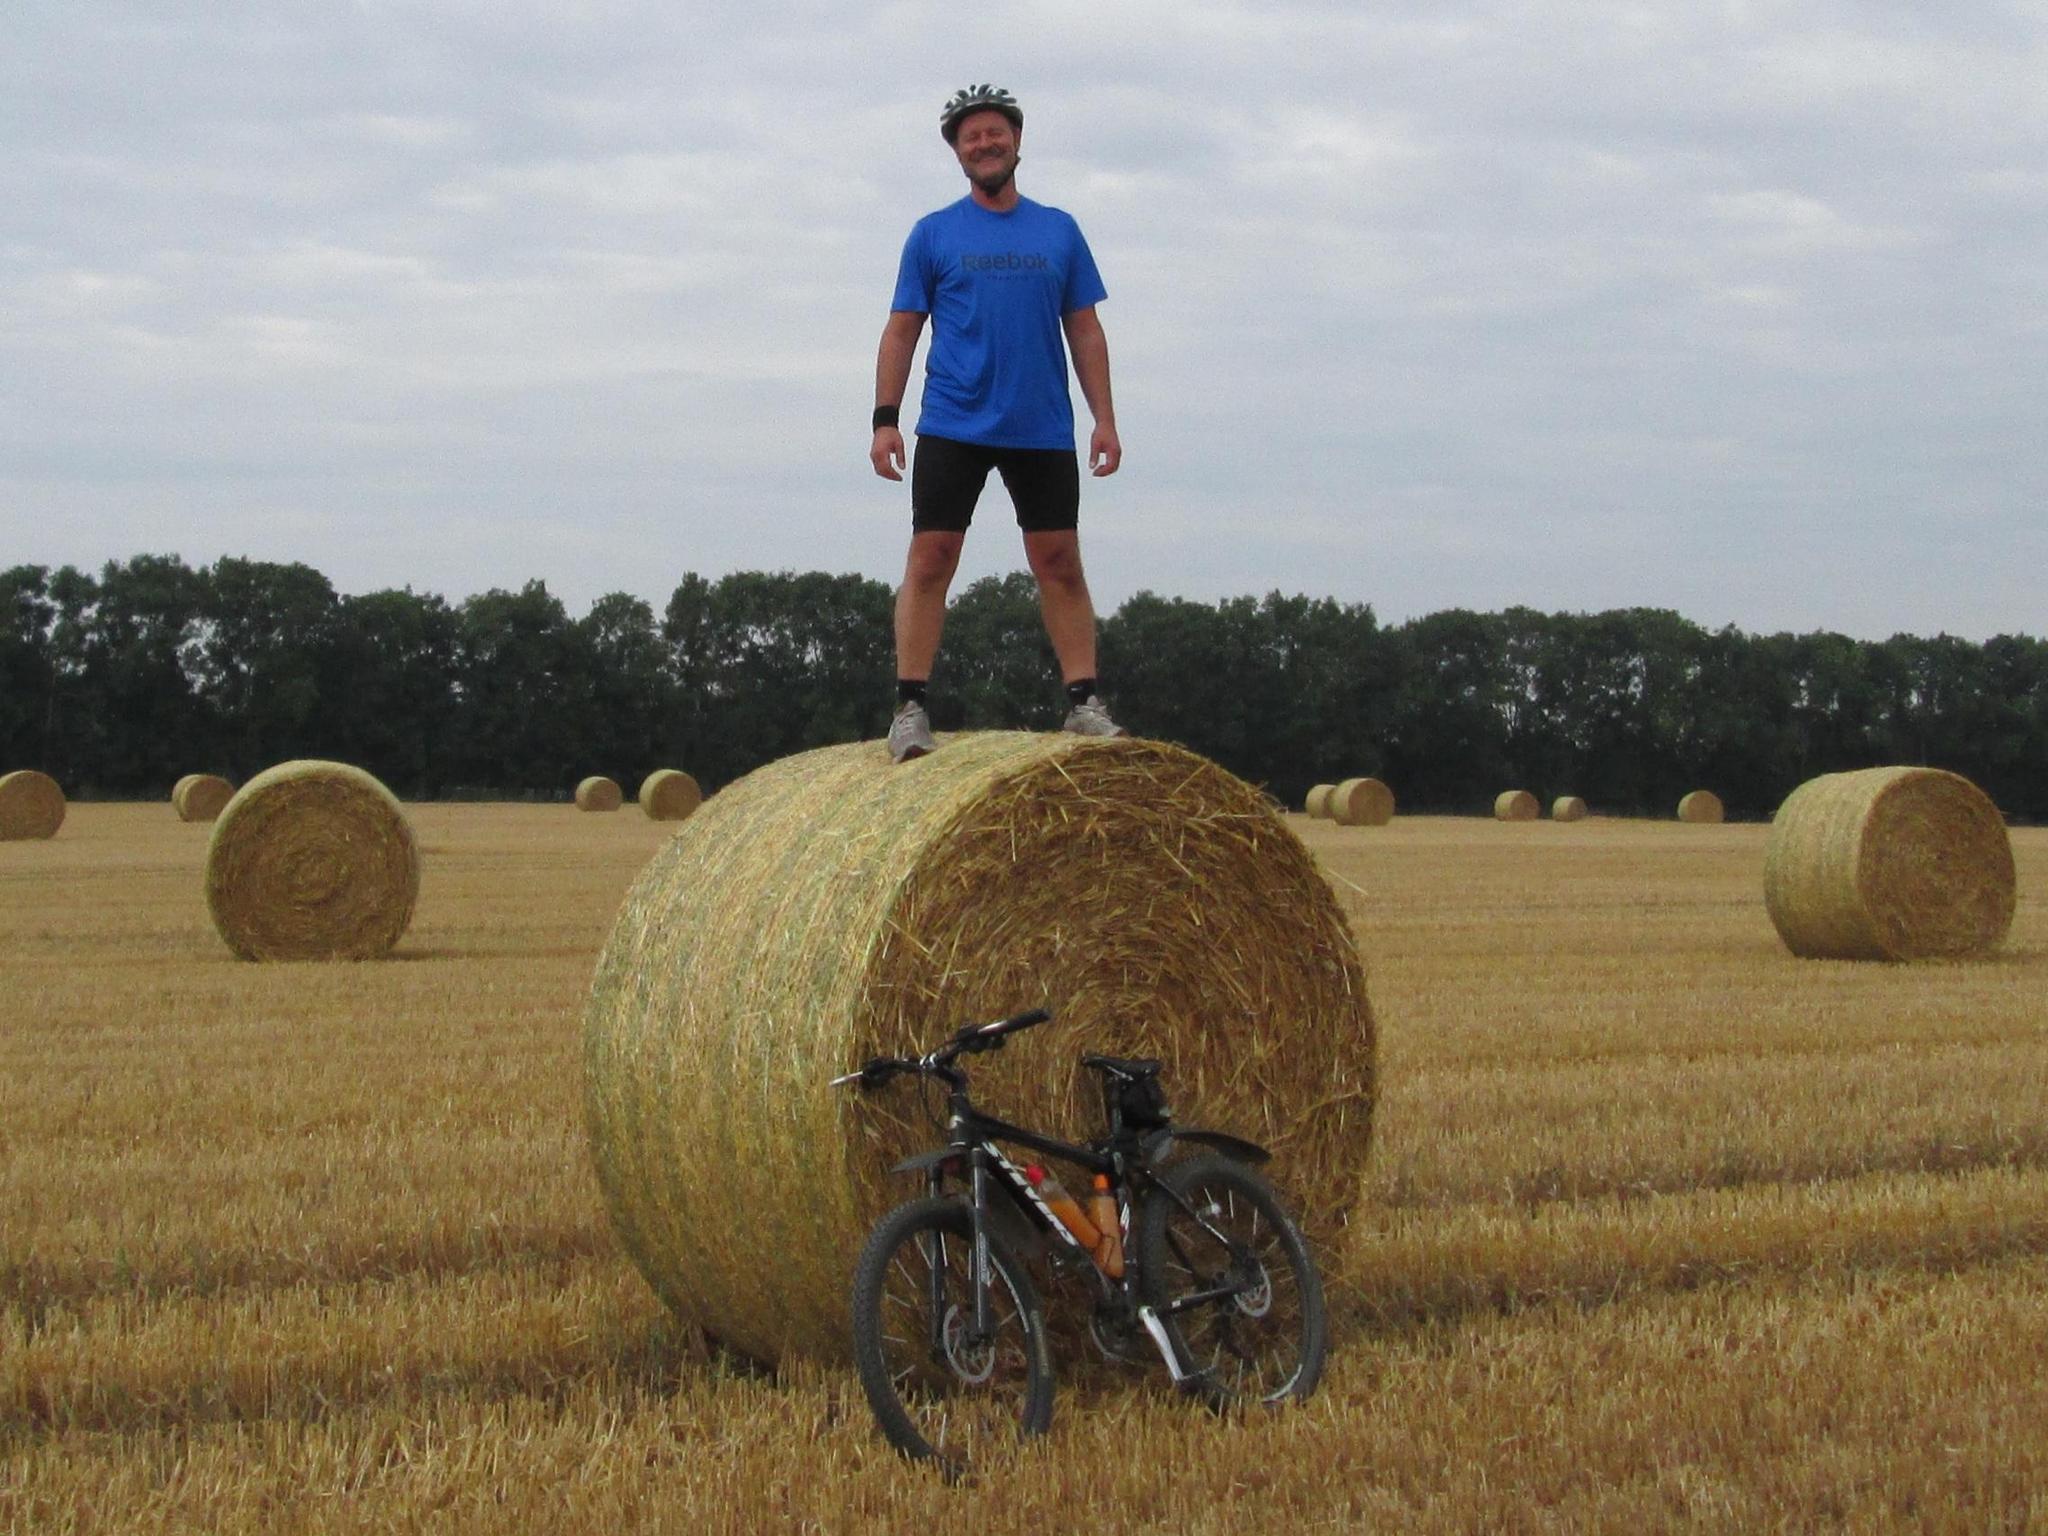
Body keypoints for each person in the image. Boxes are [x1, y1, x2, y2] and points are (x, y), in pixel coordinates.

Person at [870, 84, 1126, 763]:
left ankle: (1084, 703)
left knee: (1060, 561)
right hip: (952, 422)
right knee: (931, 558)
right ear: (958, 152)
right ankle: (910, 707)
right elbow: (901, 331)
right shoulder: (932, 233)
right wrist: (885, 419)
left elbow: (1085, 330)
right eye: (971, 137)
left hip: (1041, 425)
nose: (984, 144)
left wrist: (1104, 420)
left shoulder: (1059, 230)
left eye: (995, 133)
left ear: (1016, 141)